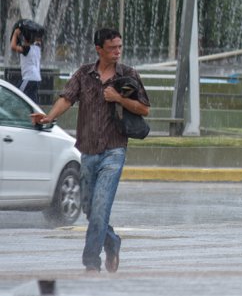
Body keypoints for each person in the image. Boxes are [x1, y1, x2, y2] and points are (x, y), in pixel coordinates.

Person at [31, 28, 150, 272]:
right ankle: (112, 241)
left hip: (114, 151)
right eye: (112, 48)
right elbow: (66, 98)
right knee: (89, 209)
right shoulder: (83, 74)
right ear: (99, 49)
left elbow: (144, 109)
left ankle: (91, 265)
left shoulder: (128, 74)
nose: (117, 52)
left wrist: (118, 98)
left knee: (100, 209)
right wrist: (48, 118)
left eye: (119, 47)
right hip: (87, 151)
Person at [10, 24, 42, 103]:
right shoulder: (38, 47)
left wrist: (15, 34)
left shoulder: (26, 49)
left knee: (15, 95)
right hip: (36, 79)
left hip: (29, 78)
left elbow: (13, 47)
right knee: (32, 102)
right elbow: (38, 40)